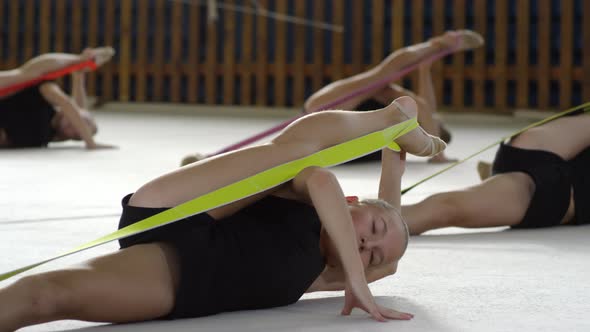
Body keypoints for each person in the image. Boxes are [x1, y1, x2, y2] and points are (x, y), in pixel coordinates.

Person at [0, 96, 445, 331]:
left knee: (46, 296)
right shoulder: (314, 203)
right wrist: (357, 276)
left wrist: (395, 162)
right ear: (354, 204)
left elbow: (390, 248)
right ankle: (387, 121)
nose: (366, 247)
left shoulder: (329, 274)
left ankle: (394, 126)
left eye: (371, 256)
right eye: (372, 229)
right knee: (296, 155)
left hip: (190, 271)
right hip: (180, 207)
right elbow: (322, 180)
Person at [180, 30, 482, 166]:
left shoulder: (414, 124)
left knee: (380, 77)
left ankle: (211, 160)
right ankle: (210, 160)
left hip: (324, 124)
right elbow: (424, 105)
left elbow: (424, 107)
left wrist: (429, 60)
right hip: (324, 122)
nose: (434, 114)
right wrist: (426, 66)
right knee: (379, 80)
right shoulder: (406, 117)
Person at [401, 110, 590, 235]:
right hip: (542, 157)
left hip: (549, 185)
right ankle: (493, 177)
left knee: (445, 209)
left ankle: (493, 177)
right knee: (444, 208)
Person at [0, 47, 116, 149]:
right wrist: (90, 142)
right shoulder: (46, 96)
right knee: (28, 75)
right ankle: (79, 60)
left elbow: (76, 112)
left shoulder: (48, 136)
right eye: (84, 123)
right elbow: (71, 106)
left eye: (77, 135)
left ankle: (80, 61)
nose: (75, 127)